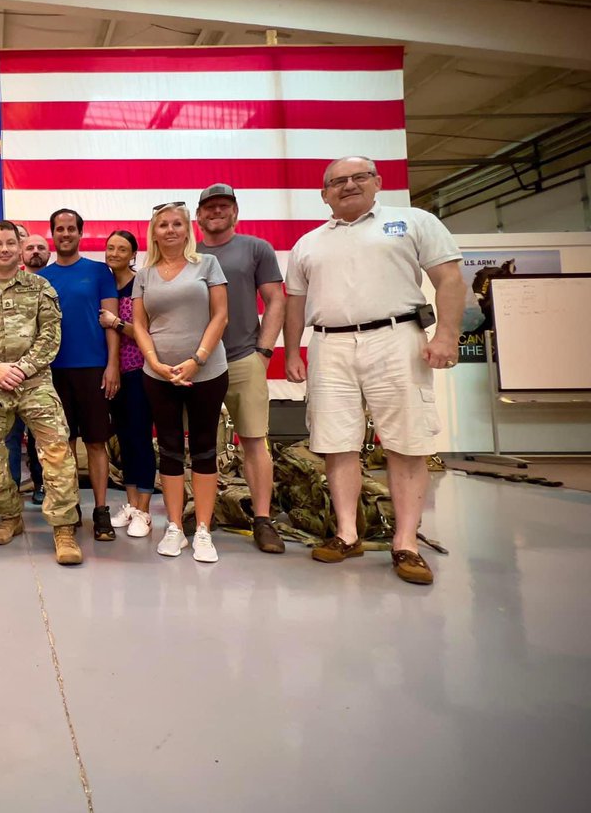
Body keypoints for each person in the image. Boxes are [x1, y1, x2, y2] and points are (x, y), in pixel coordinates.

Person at [283, 156, 463, 585]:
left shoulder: (413, 221)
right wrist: (293, 351)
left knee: (406, 439)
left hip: (397, 337)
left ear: (377, 182)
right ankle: (347, 533)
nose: (348, 185)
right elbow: (294, 302)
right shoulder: (308, 243)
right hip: (330, 342)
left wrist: (447, 336)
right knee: (335, 441)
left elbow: (450, 280)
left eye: (358, 177)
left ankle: (406, 543)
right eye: (337, 181)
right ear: (324, 193)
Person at [0, 221, 83, 566]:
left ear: (19, 246)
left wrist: (22, 368)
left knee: (57, 454)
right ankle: (11, 516)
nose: (5, 249)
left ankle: (63, 529)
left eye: (11, 243)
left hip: (35, 382)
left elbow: (50, 336)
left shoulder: (41, 287)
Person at [131, 202, 229, 563]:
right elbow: (139, 324)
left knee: (204, 448)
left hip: (206, 371)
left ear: (188, 229)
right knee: (169, 448)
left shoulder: (208, 265)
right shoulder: (145, 274)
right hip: (158, 376)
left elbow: (220, 315)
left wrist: (197, 359)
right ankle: (174, 527)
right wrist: (154, 361)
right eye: (163, 225)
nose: (170, 230)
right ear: (153, 232)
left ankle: (202, 529)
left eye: (177, 224)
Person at [196, 184, 287, 554]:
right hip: (197, 363)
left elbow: (275, 300)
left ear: (235, 212)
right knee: (196, 444)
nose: (216, 212)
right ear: (198, 216)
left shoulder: (255, 249)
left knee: (253, 440)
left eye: (224, 206)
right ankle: (199, 514)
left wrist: (264, 351)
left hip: (241, 358)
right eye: (209, 207)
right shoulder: (188, 253)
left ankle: (262, 519)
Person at [38, 209, 120, 541]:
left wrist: (112, 364)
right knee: (63, 444)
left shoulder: (100, 272)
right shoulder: (42, 278)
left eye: (71, 228)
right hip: (54, 370)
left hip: (94, 369)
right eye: (60, 229)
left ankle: (101, 511)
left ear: (80, 233)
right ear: (53, 235)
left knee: (96, 442)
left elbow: (111, 321)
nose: (66, 234)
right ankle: (70, 509)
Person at [97, 230, 157, 537]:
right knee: (122, 440)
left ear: (133, 254)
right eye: (110, 247)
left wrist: (117, 323)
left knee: (139, 440)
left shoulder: (141, 282)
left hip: (138, 372)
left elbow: (148, 331)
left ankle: (144, 511)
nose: (115, 253)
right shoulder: (104, 283)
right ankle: (132, 505)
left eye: (122, 249)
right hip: (112, 373)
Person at [6, 235, 50, 503]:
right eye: (29, 248)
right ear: (21, 253)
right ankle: (10, 489)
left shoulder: (50, 283)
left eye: (40, 248)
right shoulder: (7, 284)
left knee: (40, 437)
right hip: (8, 375)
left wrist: (29, 366)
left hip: (42, 373)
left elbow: (50, 331)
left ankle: (41, 484)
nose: (35, 252)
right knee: (10, 436)